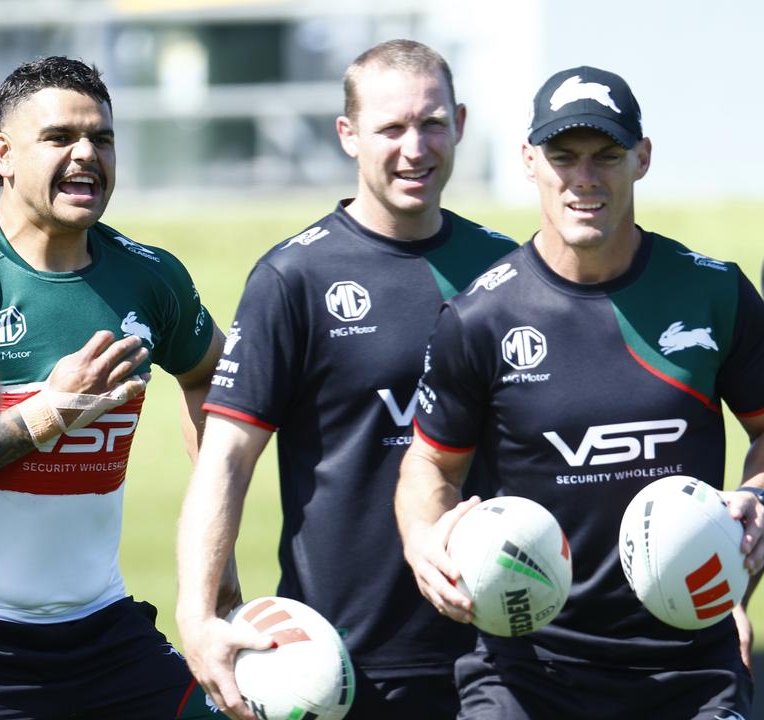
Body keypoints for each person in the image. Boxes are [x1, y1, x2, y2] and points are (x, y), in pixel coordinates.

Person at [396, 66, 764, 719]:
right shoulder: (480, 317)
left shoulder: (714, 293)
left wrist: (760, 500)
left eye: (607, 156)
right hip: (527, 669)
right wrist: (423, 538)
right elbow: (429, 461)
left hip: (691, 664)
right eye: (563, 157)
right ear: (529, 162)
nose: (584, 179)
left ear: (642, 158)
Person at [175, 39, 517, 720]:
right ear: (349, 135)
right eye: (391, 128)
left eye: (432, 123)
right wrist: (197, 613)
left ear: (461, 124)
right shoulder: (294, 279)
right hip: (337, 662)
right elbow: (227, 458)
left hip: (498, 647)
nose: (415, 148)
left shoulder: (507, 270)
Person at [0, 56, 231, 719]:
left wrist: (219, 553)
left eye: (101, 138)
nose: (86, 155)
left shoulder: (149, 279)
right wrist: (45, 416)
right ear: (3, 155)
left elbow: (209, 375)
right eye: (60, 138)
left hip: (102, 633)